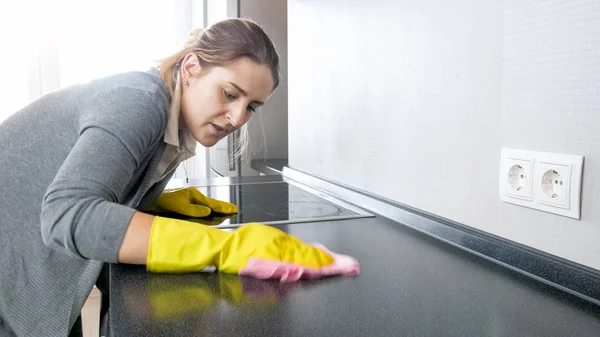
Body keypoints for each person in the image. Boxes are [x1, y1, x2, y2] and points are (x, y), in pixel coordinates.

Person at [0, 18, 359, 337]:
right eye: (230, 93)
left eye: (251, 106)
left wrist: (152, 203)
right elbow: (67, 215)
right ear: (191, 68)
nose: (237, 118)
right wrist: (220, 247)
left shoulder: (172, 121)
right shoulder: (138, 102)